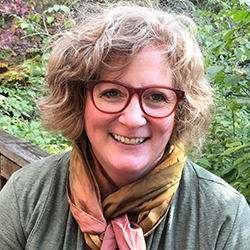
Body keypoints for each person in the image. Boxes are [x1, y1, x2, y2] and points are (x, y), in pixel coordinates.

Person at [0, 2, 250, 250]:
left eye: (156, 97)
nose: (132, 119)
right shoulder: (26, 196)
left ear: (180, 111)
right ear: (79, 101)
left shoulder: (225, 219)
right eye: (111, 93)